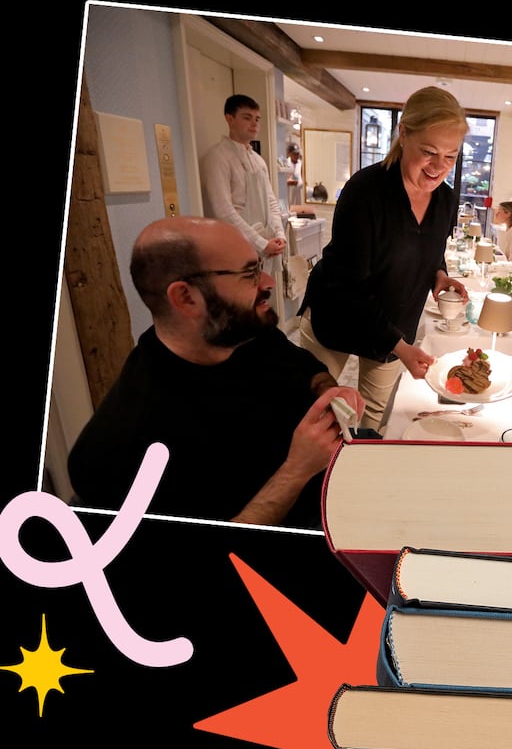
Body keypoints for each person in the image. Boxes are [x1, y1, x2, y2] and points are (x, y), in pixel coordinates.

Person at [67, 218, 363, 529]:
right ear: (185, 297)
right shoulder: (124, 443)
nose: (267, 282)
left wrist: (328, 391)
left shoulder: (243, 333)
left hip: (335, 497)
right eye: (249, 274)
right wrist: (296, 470)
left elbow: (306, 369)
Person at [297, 86, 470, 430]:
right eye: (429, 152)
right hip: (338, 313)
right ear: (403, 133)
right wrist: (402, 347)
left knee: (371, 417)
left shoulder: (446, 201)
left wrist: (439, 275)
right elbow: (349, 285)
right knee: (312, 411)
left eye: (451, 156)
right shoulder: (365, 192)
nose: (439, 167)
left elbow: (432, 252)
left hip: (394, 321)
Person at [199, 95, 288, 281]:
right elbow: (223, 210)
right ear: (229, 118)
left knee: (262, 298)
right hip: (236, 246)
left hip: (265, 248)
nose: (254, 124)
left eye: (257, 119)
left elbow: (271, 201)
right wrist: (261, 243)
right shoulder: (218, 157)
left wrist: (279, 235)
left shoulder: (258, 160)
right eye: (247, 117)